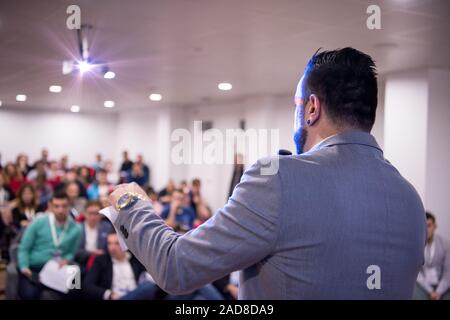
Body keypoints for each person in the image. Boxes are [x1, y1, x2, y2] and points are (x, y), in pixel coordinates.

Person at [108, 47, 426, 299]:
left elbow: (176, 268)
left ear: (312, 109)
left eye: (296, 105)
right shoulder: (410, 199)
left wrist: (131, 205)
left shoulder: (279, 178)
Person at [17, 191, 82, 299]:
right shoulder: (38, 222)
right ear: (50, 206)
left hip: (59, 268)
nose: (60, 210)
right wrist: (24, 266)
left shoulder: (76, 228)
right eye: (56, 206)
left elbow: (72, 252)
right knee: (29, 294)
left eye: (64, 206)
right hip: (35, 268)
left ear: (69, 206)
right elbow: (24, 248)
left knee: (76, 288)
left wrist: (67, 259)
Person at [83, 231, 162, 300]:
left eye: (117, 243)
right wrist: (109, 294)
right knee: (148, 287)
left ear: (125, 244)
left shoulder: (135, 259)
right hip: (118, 297)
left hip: (136, 294)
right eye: (109, 243)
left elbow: (147, 276)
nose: (112, 248)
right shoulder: (101, 261)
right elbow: (88, 285)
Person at [414, 212, 450, 300]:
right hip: (424, 284)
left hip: (441, 283)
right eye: (424, 226)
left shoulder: (445, 244)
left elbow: (448, 273)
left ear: (435, 226)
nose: (426, 229)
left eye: (429, 225)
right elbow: (417, 273)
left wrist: (438, 291)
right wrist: (430, 291)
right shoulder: (416, 244)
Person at [76, 201, 112, 273]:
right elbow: (74, 251)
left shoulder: (107, 227)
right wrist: (91, 253)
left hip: (102, 264)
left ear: (101, 215)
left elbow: (110, 247)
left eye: (96, 213)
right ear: (84, 214)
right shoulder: (77, 228)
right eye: (90, 213)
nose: (93, 217)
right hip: (81, 263)